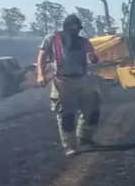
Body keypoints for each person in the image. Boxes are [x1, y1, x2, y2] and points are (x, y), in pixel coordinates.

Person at [36, 14, 102, 156]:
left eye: (77, 28)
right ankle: (69, 145)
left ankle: (84, 138)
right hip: (62, 81)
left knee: (93, 110)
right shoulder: (52, 39)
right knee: (66, 114)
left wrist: (93, 58)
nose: (74, 30)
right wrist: (40, 74)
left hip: (83, 79)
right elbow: (41, 56)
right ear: (65, 27)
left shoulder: (84, 42)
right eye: (71, 27)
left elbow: (94, 57)